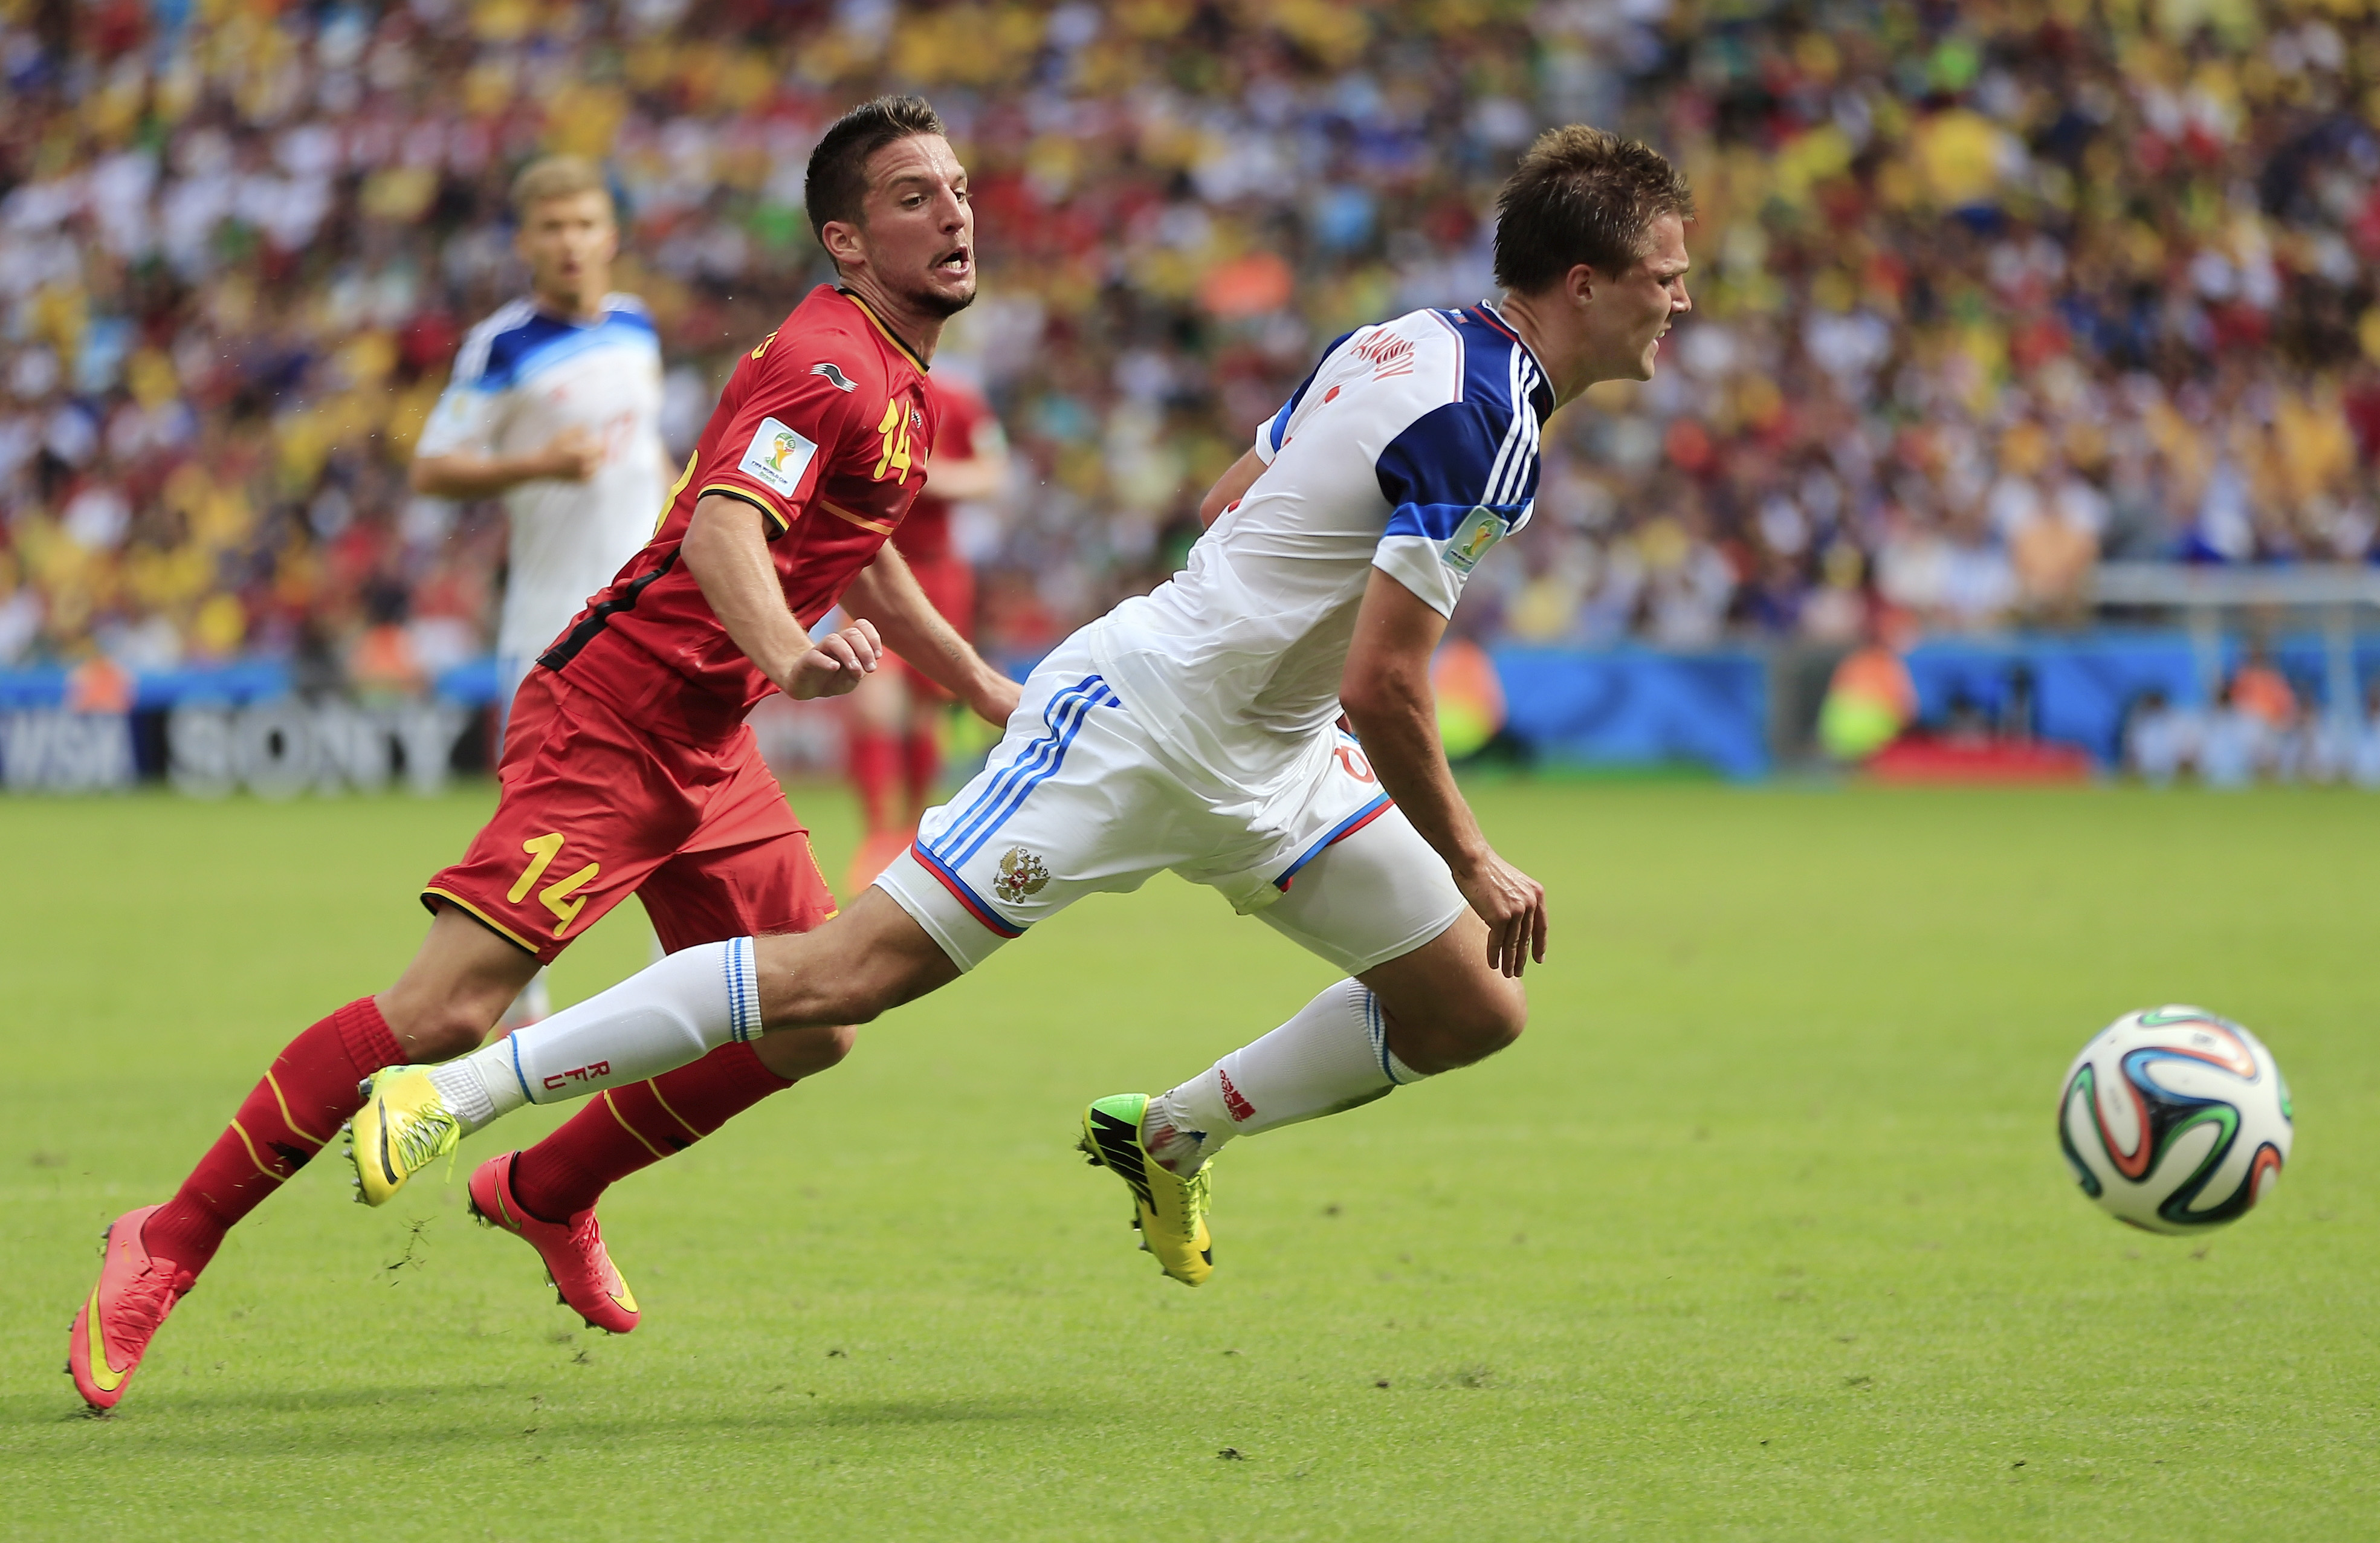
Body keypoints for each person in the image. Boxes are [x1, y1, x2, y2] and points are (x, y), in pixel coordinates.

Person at [355, 125, 1694, 1292]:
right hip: (1141, 722)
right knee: (844, 975)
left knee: (1468, 1007)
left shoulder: (1403, 339)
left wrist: (1279, 674)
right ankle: (456, 1091)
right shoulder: (1492, 423)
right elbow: (1389, 679)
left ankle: (1167, 1133)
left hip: (1272, 753)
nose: (1680, 304)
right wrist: (1470, 852)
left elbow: (1236, 495)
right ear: (1586, 283)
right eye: (1666, 277)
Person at [67, 95, 1018, 1411]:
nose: (956, 210)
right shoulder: (828, 361)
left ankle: (545, 1184)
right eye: (915, 196)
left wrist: (975, 683)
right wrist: (795, 661)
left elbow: (852, 546)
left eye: (958, 186)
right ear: (847, 243)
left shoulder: (894, 377)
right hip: (613, 719)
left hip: (705, 736)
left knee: (819, 1014)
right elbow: (722, 537)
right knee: (448, 1009)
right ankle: (167, 1234)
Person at [410, 154, 671, 1030]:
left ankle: (680, 997)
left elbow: (648, 461)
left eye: (585, 224)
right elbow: (433, 466)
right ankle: (516, 1008)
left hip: (652, 625)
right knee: (535, 826)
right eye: (552, 227)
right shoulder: (502, 345)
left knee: (680, 803)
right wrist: (541, 463)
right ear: (525, 240)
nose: (570, 243)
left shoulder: (638, 328)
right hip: (550, 628)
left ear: (612, 234)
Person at [843, 370, 1008, 891]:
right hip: (868, 564)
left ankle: (909, 832)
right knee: (873, 696)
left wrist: (922, 475)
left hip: (937, 572)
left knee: (923, 711)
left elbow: (992, 474)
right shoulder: (864, 389)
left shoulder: (962, 399)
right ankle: (875, 835)